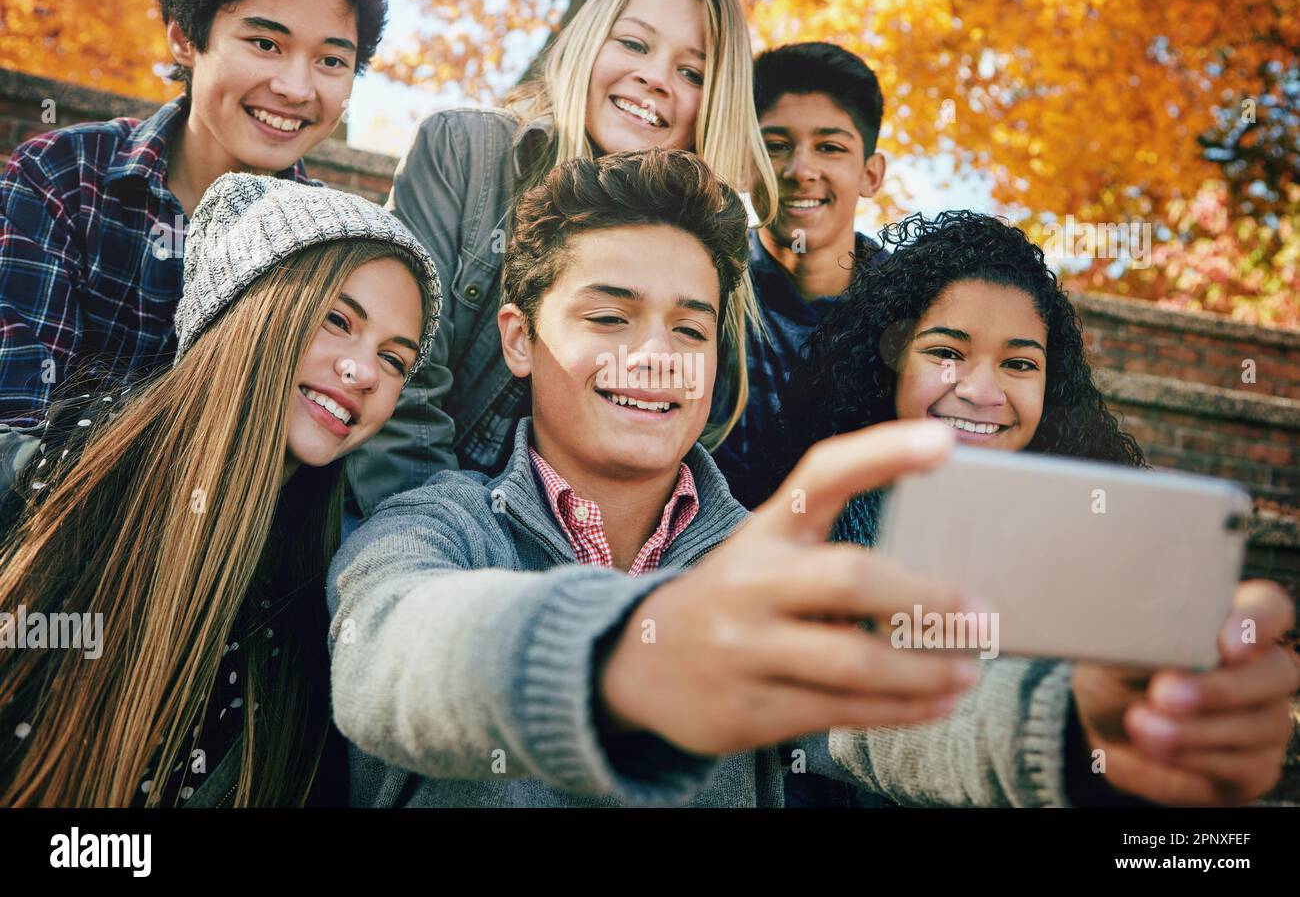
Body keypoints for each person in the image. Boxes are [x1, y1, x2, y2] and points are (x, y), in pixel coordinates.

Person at [327, 148, 983, 807]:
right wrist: (628, 656)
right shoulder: (434, 528)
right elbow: (386, 652)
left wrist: (1061, 725)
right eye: (610, 318)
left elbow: (903, 715)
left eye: (690, 329)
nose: (658, 358)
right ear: (520, 339)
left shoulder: (764, 567)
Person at [780, 211, 1299, 805]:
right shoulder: (809, 529)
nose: (981, 390)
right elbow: (843, 722)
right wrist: (1061, 724)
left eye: (1020, 363)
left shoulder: (1098, 540)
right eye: (946, 352)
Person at [0, 174, 441, 807]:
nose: (365, 371)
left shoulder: (313, 612)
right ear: (243, 311)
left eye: (396, 359)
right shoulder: (39, 485)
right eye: (338, 321)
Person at [344, 0, 781, 520]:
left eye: (692, 73)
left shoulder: (711, 253)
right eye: (634, 44)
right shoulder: (466, 153)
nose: (655, 77)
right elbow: (403, 375)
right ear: (589, 45)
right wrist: (438, 538)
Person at [0, 0, 390, 424]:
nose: (296, 89)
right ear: (186, 40)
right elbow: (16, 421)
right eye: (266, 44)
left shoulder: (334, 248)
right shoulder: (64, 175)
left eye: (331, 60)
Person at [710, 42, 890, 508]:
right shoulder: (706, 286)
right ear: (749, 164)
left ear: (870, 174)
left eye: (829, 147)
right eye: (776, 146)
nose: (800, 170)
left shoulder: (916, 307)